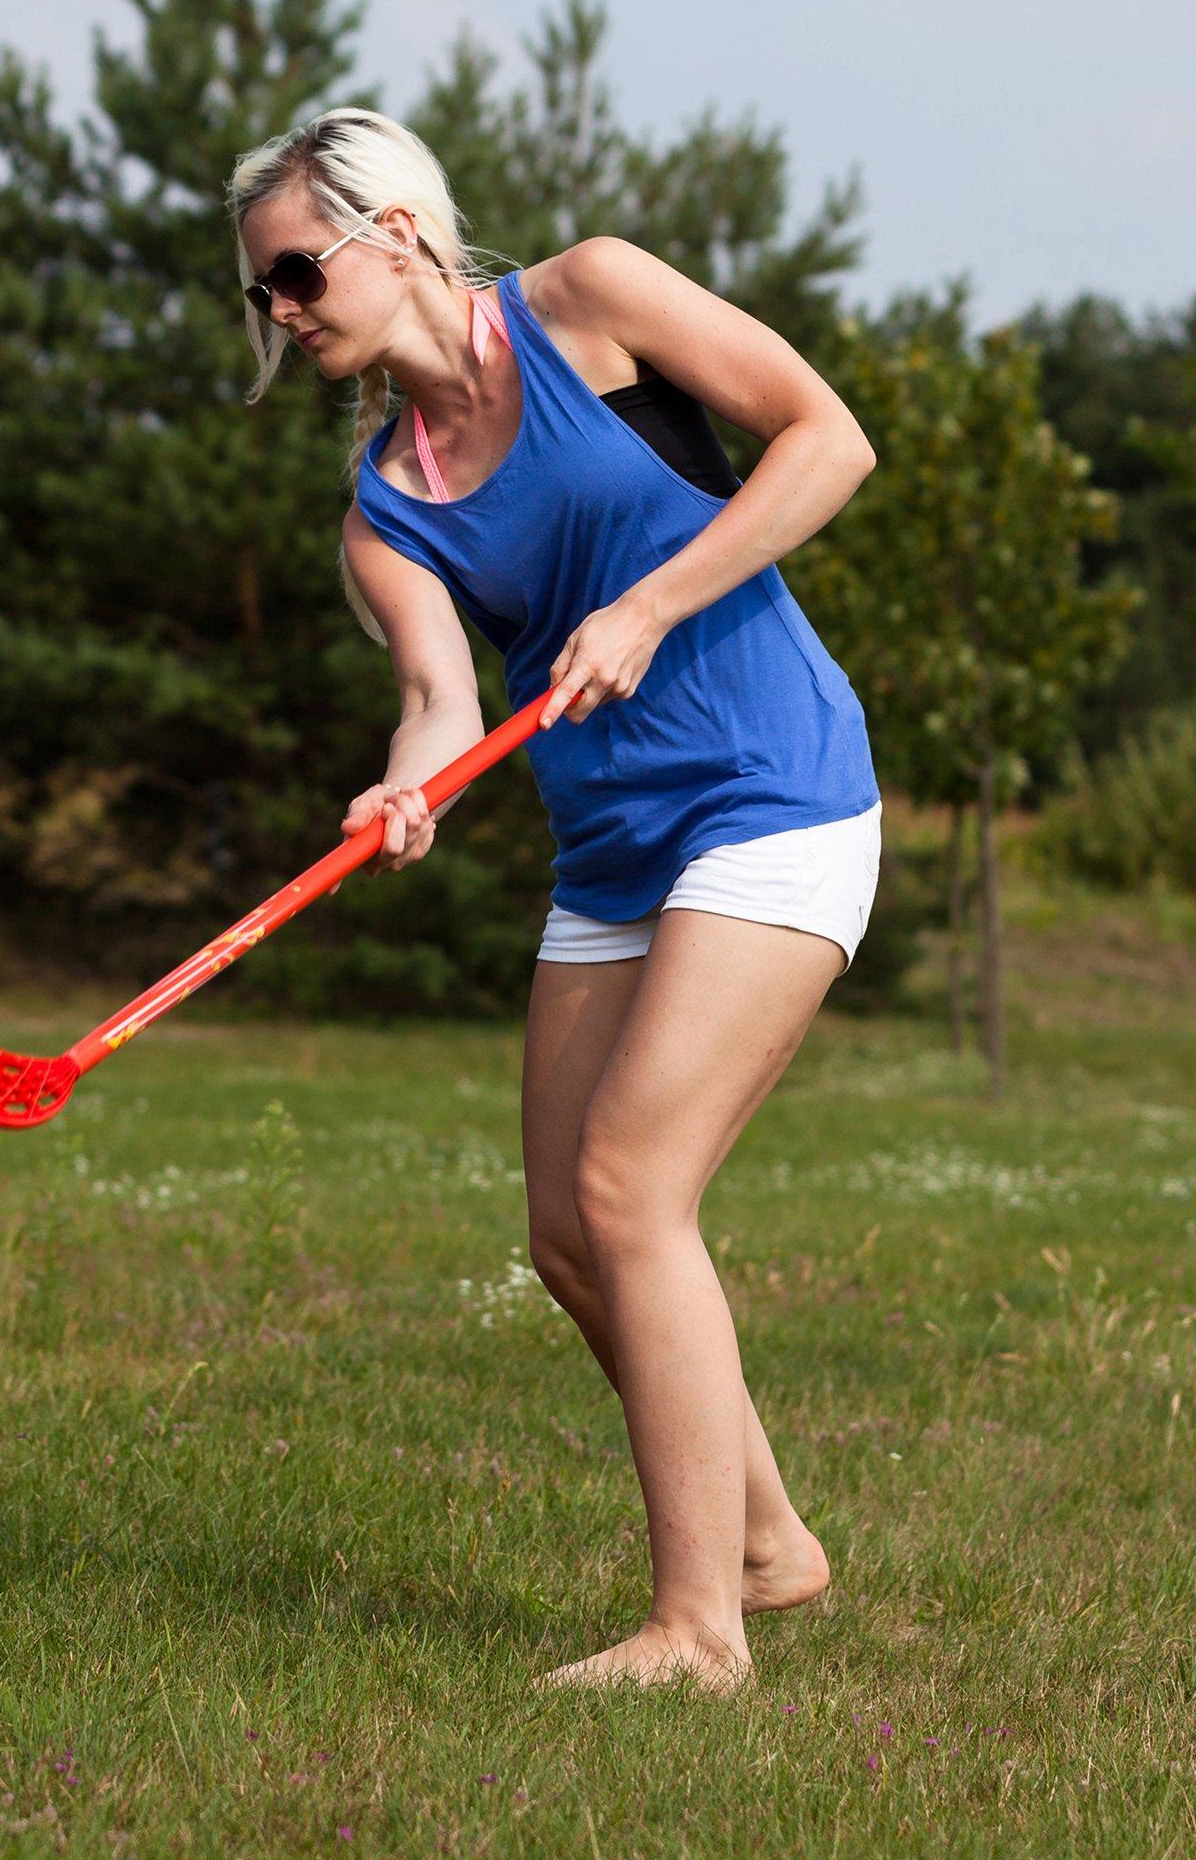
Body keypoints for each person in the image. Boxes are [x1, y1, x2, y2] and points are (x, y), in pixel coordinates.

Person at [228, 107, 882, 1694]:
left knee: (628, 1194)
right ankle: (772, 1543)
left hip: (771, 791)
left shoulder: (588, 301)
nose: (284, 311)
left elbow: (829, 442)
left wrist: (650, 606)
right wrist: (412, 786)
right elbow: (441, 702)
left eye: (297, 272)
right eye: (264, 294)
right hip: (612, 856)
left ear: (393, 231)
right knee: (565, 1238)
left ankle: (695, 1634)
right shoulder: (387, 507)